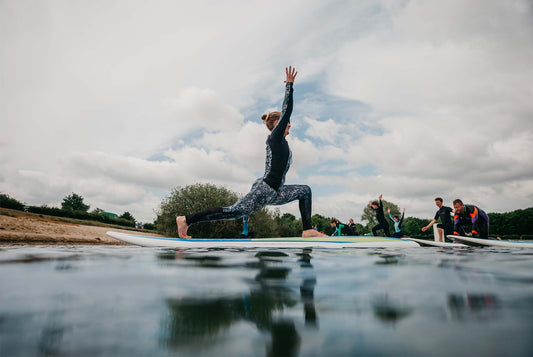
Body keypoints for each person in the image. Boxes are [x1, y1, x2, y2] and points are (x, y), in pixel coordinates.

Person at [176, 67, 327, 239]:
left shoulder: (282, 142)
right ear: (278, 123)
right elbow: (287, 110)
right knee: (233, 212)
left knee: (305, 191)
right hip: (266, 190)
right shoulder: (275, 138)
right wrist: (289, 86)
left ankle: (307, 230)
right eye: (287, 122)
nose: (290, 125)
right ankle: (186, 220)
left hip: (275, 192)